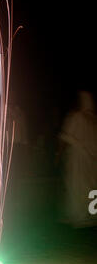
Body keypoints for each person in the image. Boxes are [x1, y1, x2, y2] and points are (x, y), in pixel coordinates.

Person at [59, 91, 97, 228]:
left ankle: (79, 216)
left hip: (78, 159)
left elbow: (65, 137)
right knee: (92, 187)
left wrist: (59, 154)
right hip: (92, 160)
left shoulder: (77, 117)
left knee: (77, 187)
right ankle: (92, 214)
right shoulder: (93, 120)